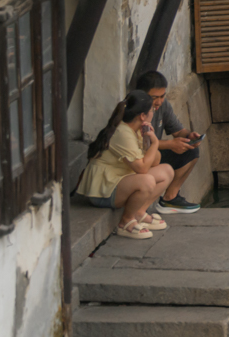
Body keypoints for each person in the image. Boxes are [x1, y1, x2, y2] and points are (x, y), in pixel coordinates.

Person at [77, 91, 171, 239]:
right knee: (147, 181)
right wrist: (155, 143)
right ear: (142, 115)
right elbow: (142, 168)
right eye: (151, 110)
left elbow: (156, 161)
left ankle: (139, 212)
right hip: (102, 191)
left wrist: (148, 142)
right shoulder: (122, 133)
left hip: (120, 180)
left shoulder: (136, 129)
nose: (154, 112)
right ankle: (125, 222)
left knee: (167, 171)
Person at [134, 70, 202, 212]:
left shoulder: (162, 105)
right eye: (154, 97)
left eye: (162, 96)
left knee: (191, 150)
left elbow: (178, 131)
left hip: (154, 153)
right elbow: (139, 144)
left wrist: (190, 136)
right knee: (162, 169)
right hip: (137, 160)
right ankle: (138, 212)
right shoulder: (133, 109)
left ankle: (170, 198)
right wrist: (170, 144)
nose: (159, 101)